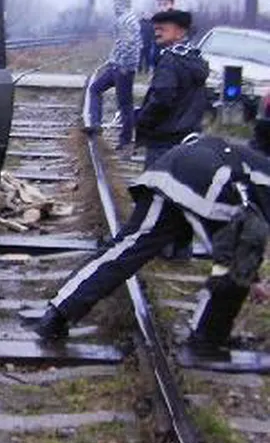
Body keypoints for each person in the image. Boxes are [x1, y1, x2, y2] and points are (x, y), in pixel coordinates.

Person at [31, 134, 270, 355]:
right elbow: (249, 239)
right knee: (234, 269)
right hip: (211, 180)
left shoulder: (258, 166)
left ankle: (58, 313)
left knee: (126, 248)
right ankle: (206, 339)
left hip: (174, 166)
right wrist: (252, 277)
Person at [136, 9, 208, 168]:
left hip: (164, 140)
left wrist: (142, 120)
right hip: (189, 137)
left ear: (180, 32)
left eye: (162, 29)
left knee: (153, 188)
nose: (157, 33)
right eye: (156, 29)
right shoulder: (194, 58)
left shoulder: (169, 60)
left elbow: (162, 98)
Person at [83, 0, 142, 152]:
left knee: (125, 104)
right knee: (96, 88)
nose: (113, 7)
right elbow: (122, 44)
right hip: (117, 66)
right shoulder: (127, 19)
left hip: (123, 69)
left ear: (120, 4)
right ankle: (96, 125)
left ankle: (125, 141)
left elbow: (129, 46)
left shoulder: (126, 20)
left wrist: (123, 66)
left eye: (116, 3)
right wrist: (112, 60)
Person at [138, 0, 174, 76]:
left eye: (165, 4)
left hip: (171, 61)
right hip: (157, 57)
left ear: (172, 4)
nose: (162, 8)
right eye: (160, 5)